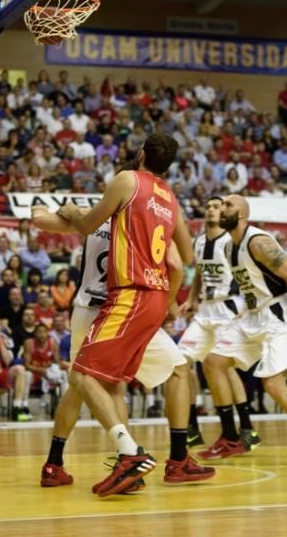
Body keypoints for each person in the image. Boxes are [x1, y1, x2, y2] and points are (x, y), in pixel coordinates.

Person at [53, 134, 214, 496]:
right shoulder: (171, 198)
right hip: (156, 296)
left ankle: (127, 455)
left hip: (129, 294)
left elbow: (84, 224)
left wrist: (73, 210)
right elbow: (185, 259)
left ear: (141, 154)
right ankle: (177, 459)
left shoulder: (127, 180)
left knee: (83, 375)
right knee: (170, 370)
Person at [203, 195, 287, 468]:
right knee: (213, 363)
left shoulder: (258, 242)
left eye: (228, 206)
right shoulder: (229, 247)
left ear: (241, 214)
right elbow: (251, 285)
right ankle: (231, 437)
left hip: (277, 317)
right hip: (252, 316)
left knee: (273, 385)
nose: (221, 209)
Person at [178, 196, 260, 458]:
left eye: (217, 206)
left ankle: (245, 428)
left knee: (225, 368)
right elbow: (200, 273)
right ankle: (191, 426)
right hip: (205, 311)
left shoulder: (231, 241)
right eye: (209, 206)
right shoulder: (200, 241)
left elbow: (248, 275)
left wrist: (247, 308)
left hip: (229, 308)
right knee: (180, 361)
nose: (212, 209)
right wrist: (192, 298)